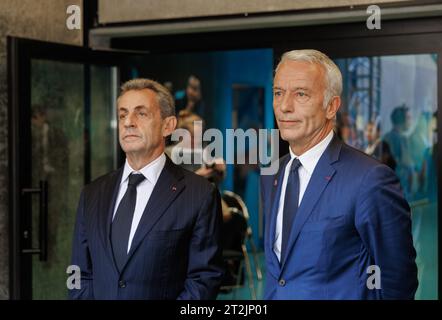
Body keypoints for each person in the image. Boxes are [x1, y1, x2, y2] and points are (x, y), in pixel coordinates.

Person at [261, 49, 418, 299]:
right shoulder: (272, 174)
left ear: (331, 106)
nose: (284, 106)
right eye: (278, 92)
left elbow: (398, 281)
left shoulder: (370, 179)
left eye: (300, 94)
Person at [69, 78, 224, 300]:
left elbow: (204, 280)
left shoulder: (199, 195)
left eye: (141, 114)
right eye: (122, 114)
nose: (128, 122)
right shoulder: (92, 194)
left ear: (168, 125)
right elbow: (78, 272)